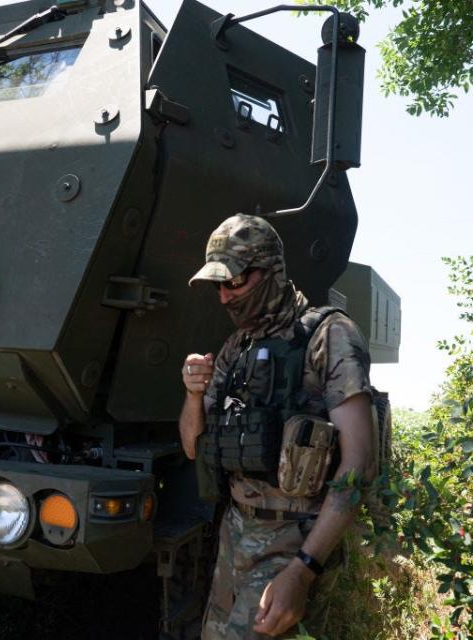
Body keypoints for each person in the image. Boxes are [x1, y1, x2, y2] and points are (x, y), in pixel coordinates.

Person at [179, 214, 380, 639]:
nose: (224, 298)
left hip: (293, 543)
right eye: (218, 286)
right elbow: (194, 447)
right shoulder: (237, 346)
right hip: (235, 536)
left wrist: (304, 570)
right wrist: (193, 393)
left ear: (269, 272)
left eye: (233, 283)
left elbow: (360, 465)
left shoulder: (329, 336)